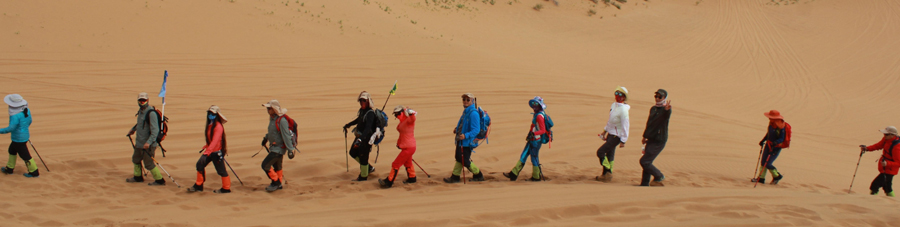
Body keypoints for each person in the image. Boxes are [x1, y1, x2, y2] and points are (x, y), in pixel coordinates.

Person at [503, 97, 549, 181]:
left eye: (536, 104)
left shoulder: (539, 116)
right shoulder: (537, 114)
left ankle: (536, 177)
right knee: (523, 155)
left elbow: (542, 130)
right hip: (532, 139)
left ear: (540, 105)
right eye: (534, 104)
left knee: (534, 158)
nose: (534, 106)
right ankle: (513, 174)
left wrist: (533, 134)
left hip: (536, 141)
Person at [188, 105, 232, 193]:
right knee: (199, 165)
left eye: (212, 114)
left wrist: (207, 152)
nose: (210, 115)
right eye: (209, 113)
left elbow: (215, 141)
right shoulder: (210, 125)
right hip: (210, 151)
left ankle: (226, 188)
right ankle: (198, 185)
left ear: (217, 115)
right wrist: (206, 146)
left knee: (221, 171)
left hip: (216, 152)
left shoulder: (218, 126)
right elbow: (211, 139)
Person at [126, 92, 166, 186]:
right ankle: (138, 177)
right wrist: (133, 129)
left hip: (148, 144)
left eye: (144, 100)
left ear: (147, 100)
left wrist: (148, 142)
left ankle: (160, 180)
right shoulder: (141, 112)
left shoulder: (151, 113)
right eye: (140, 100)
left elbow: (155, 131)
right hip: (140, 143)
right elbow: (140, 123)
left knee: (148, 164)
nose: (142, 102)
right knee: (136, 159)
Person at [444, 93, 485, 183]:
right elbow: (463, 124)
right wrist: (457, 129)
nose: (465, 101)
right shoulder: (466, 111)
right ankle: (455, 176)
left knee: (464, 160)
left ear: (472, 101)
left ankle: (478, 174)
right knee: (459, 158)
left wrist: (466, 135)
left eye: (467, 100)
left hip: (467, 141)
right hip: (461, 140)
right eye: (464, 99)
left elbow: (476, 130)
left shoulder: (473, 113)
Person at [343, 91, 380, 181]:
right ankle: (369, 168)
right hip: (360, 137)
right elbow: (359, 120)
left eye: (364, 100)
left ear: (368, 101)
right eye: (360, 101)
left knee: (363, 157)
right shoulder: (363, 111)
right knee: (353, 152)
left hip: (366, 139)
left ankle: (363, 177)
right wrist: (349, 124)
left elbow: (368, 128)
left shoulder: (370, 113)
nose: (362, 102)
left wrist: (360, 139)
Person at [261, 100, 296, 192]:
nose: (267, 110)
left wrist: (290, 150)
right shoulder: (273, 119)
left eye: (269, 108)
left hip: (279, 149)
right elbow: (272, 132)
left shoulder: (282, 120)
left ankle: (276, 182)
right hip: (274, 147)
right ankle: (279, 184)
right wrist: (265, 139)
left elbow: (286, 135)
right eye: (267, 108)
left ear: (274, 109)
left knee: (265, 165)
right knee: (277, 167)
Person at [596, 87, 630, 182]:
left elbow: (625, 126)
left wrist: (623, 140)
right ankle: (606, 175)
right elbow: (610, 121)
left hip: (617, 136)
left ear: (623, 97)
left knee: (600, 152)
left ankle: (608, 172)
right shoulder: (613, 105)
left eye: (620, 94)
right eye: (616, 93)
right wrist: (604, 131)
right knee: (610, 155)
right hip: (610, 134)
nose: (617, 96)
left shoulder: (624, 110)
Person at [379, 105, 418, 188]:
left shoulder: (408, 120)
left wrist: (411, 113)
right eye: (395, 114)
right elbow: (402, 135)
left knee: (396, 164)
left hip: (409, 147)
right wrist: (399, 143)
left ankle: (389, 181)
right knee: (408, 162)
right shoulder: (402, 122)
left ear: (403, 112)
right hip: (407, 146)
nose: (397, 116)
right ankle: (412, 178)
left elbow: (413, 119)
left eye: (398, 113)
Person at [0, 94, 37, 178]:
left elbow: (11, 128)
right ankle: (9, 168)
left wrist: (0, 130)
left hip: (18, 139)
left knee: (25, 155)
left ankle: (34, 172)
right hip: (23, 136)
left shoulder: (15, 116)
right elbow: (29, 121)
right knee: (12, 150)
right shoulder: (27, 110)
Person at [640, 89, 671, 186]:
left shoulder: (666, 109)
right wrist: (645, 136)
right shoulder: (653, 109)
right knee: (647, 161)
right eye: (656, 96)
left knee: (645, 161)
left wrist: (667, 110)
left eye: (659, 97)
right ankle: (644, 184)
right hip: (651, 138)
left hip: (659, 140)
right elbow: (649, 123)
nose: (657, 99)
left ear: (664, 98)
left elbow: (666, 116)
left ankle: (659, 176)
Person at [859, 126, 900, 197]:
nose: (884, 136)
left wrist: (887, 163)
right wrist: (867, 148)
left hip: (890, 170)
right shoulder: (886, 139)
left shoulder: (897, 147)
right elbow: (878, 145)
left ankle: (872, 201)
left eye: (886, 134)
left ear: (892, 135)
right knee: (887, 188)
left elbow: (898, 163)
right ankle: (894, 202)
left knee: (875, 185)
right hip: (885, 167)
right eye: (884, 134)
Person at [752, 110, 787, 184]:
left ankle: (777, 176)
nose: (769, 118)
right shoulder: (771, 123)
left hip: (776, 147)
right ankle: (761, 178)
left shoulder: (781, 126)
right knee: (763, 162)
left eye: (771, 117)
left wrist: (775, 142)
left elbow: (782, 138)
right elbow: (768, 133)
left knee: (768, 163)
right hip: (768, 145)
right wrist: (763, 140)